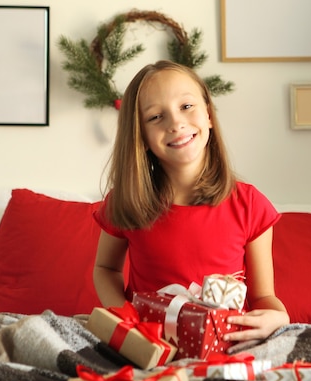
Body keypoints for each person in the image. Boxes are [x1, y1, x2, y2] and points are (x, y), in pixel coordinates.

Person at [92, 60, 289, 343]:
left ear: (208, 115)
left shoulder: (250, 204)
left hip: (227, 345)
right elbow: (105, 269)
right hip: (150, 344)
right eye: (155, 117)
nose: (176, 123)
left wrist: (279, 318)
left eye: (186, 107)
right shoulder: (125, 201)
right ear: (142, 137)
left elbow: (263, 296)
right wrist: (123, 316)